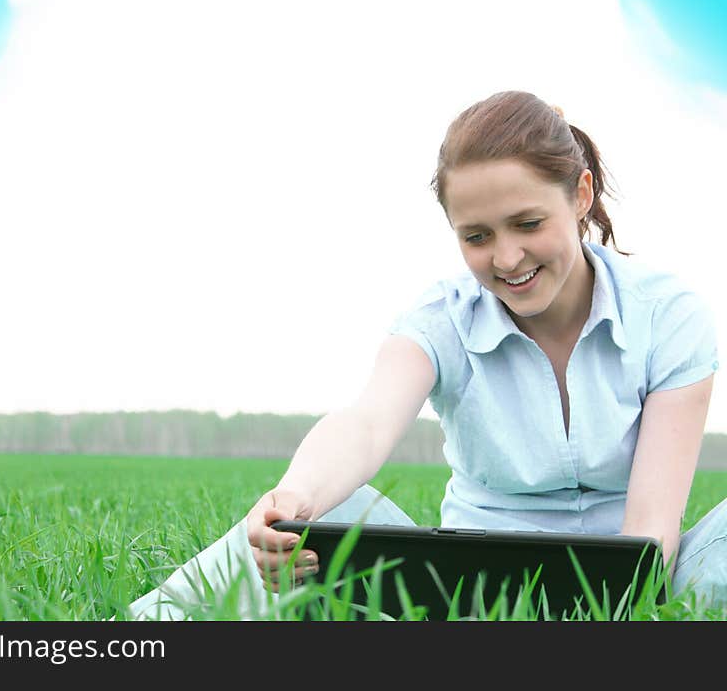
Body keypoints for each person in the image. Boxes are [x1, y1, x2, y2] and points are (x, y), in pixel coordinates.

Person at [128, 90, 724, 620]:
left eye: (528, 222)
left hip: (640, 581)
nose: (508, 258)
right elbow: (365, 424)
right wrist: (295, 497)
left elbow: (650, 535)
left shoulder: (668, 317)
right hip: (464, 591)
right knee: (308, 524)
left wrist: (610, 614)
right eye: (477, 236)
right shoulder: (442, 319)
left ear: (581, 196)